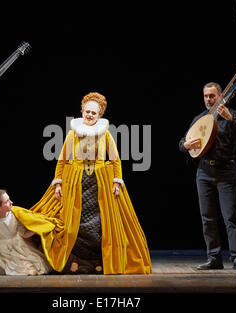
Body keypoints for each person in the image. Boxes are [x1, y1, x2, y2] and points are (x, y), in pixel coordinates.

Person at [12, 92, 152, 275]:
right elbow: (62, 160)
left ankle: (96, 260)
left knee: (99, 224)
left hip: (100, 184)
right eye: (87, 112)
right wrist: (58, 184)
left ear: (99, 115)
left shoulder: (105, 135)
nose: (90, 115)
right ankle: (76, 259)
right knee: (74, 224)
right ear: (82, 111)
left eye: (94, 113)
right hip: (76, 183)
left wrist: (117, 182)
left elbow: (116, 160)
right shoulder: (73, 133)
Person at [179, 82, 236, 270]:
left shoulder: (231, 116)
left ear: (220, 96)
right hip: (204, 172)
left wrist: (231, 120)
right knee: (207, 217)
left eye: (212, 96)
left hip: (226, 171)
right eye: (206, 96)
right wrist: (186, 145)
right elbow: (183, 141)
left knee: (231, 216)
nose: (209, 99)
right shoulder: (199, 119)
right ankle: (214, 258)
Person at [0, 189, 51, 276]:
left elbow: (23, 234)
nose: (11, 202)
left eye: (9, 199)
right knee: (19, 271)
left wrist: (36, 229)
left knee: (36, 267)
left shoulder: (15, 214)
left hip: (18, 247)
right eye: (7, 201)